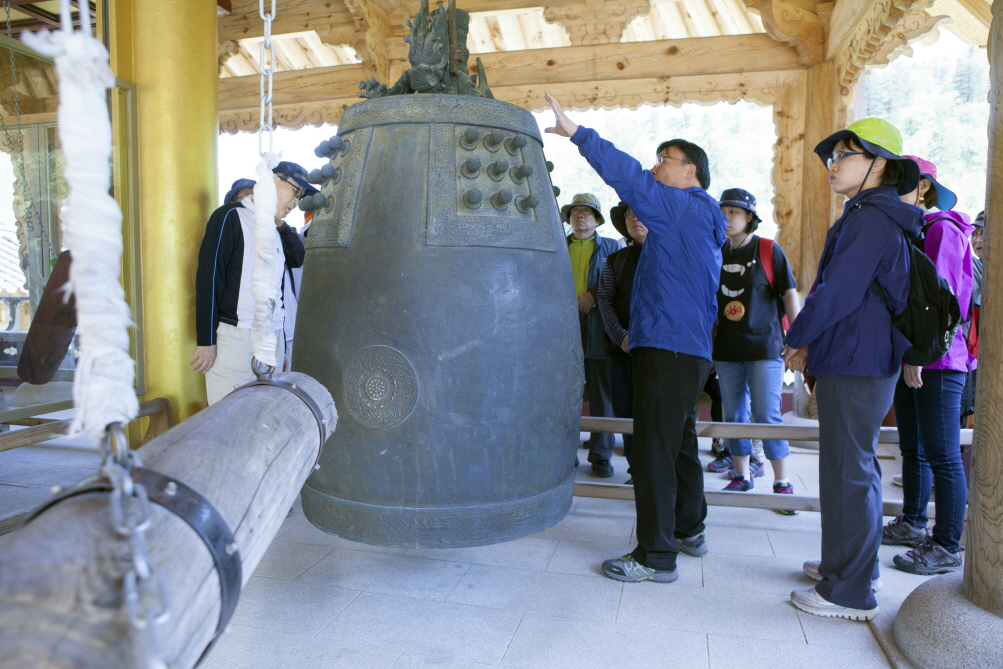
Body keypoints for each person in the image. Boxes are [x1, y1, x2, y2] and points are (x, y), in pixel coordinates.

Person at [544, 91, 727, 584]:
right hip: (683, 350)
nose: (655, 167)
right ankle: (689, 528)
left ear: (691, 171)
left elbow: (628, 176)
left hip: (667, 349)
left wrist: (580, 135)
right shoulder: (697, 221)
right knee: (679, 443)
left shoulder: (683, 209)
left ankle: (655, 556)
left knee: (650, 450)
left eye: (664, 160)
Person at [783, 118, 922, 621]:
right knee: (844, 467)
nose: (833, 164)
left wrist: (795, 337)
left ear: (880, 164)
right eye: (831, 156)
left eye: (845, 155)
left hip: (858, 358)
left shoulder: (872, 218)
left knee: (851, 470)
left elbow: (835, 293)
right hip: (855, 354)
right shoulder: (868, 214)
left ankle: (851, 591)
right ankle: (843, 567)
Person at [881, 156, 973, 576]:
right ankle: (914, 523)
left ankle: (947, 544)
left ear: (924, 190)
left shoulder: (942, 231)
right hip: (915, 356)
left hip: (938, 359)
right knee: (912, 448)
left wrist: (923, 354)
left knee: (942, 453)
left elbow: (943, 299)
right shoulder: (915, 233)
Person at [191, 163, 316, 404]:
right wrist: (206, 340)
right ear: (273, 180)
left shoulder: (275, 228)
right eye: (295, 191)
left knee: (266, 415)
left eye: (301, 196)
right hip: (236, 337)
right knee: (228, 415)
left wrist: (279, 345)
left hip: (273, 337)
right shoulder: (230, 216)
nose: (296, 202)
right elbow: (209, 276)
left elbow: (281, 285)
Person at [711, 189, 801, 508]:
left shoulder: (767, 249)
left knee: (766, 414)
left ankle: (782, 480)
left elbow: (789, 293)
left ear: (749, 217)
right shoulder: (715, 251)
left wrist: (797, 337)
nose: (727, 218)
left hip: (765, 346)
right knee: (733, 413)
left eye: (734, 212)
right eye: (723, 211)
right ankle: (742, 476)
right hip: (726, 348)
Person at [564, 193, 621, 478]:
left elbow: (620, 285)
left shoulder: (612, 247)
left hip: (600, 328)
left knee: (601, 394)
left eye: (586, 211)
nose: (580, 215)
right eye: (575, 211)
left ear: (597, 219)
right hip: (562, 329)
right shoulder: (557, 245)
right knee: (565, 393)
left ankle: (601, 456)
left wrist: (593, 294)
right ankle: (563, 452)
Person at [597, 202, 647, 484]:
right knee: (626, 411)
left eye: (638, 212)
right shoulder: (616, 259)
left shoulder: (671, 255)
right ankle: (635, 469)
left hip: (662, 353)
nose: (633, 217)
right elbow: (604, 299)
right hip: (621, 350)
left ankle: (658, 471)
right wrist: (621, 336)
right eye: (628, 214)